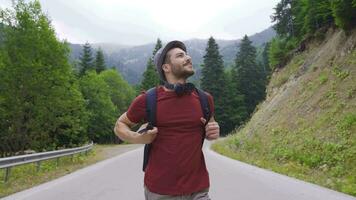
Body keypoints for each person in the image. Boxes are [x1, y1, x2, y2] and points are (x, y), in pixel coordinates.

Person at [114, 40, 220, 200]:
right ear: (166, 67)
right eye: (180, 55)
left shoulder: (205, 99)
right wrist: (139, 137)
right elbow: (119, 125)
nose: (188, 58)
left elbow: (210, 126)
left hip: (198, 189)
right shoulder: (148, 99)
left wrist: (213, 131)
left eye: (187, 54)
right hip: (161, 191)